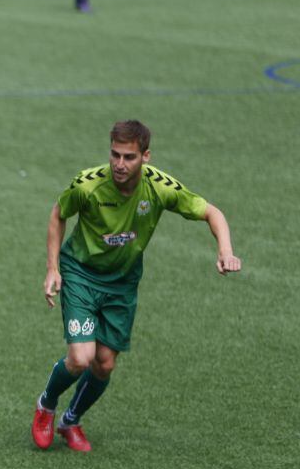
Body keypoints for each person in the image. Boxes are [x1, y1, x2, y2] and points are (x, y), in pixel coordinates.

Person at [31, 120, 241, 452]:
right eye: (114, 155)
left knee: (105, 364)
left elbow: (212, 212)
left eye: (129, 157)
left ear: (145, 156)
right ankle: (46, 404)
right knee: (82, 357)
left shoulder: (160, 187)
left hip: (123, 283)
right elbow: (59, 212)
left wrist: (225, 251)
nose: (119, 164)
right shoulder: (88, 185)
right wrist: (52, 268)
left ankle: (70, 421)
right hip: (82, 274)